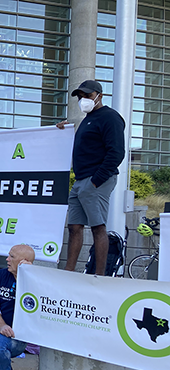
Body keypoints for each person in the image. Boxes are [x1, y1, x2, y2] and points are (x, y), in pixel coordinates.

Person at [57, 80, 125, 276]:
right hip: (80, 181)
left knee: (97, 227)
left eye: (87, 95)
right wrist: (62, 133)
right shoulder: (87, 120)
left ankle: (100, 276)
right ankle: (69, 271)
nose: (83, 100)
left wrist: (97, 180)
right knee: (74, 227)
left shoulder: (110, 117)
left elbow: (116, 152)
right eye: (80, 97)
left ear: (99, 96)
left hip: (96, 180)